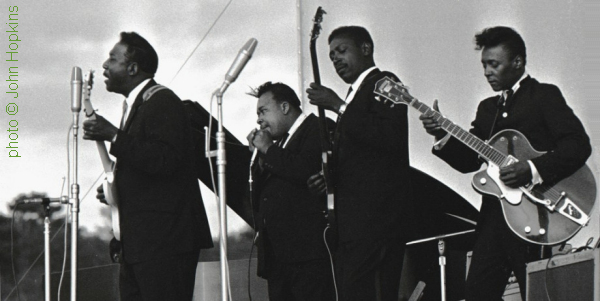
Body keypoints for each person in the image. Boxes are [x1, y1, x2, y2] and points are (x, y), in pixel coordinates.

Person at [419, 26, 591, 300]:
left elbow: (578, 145)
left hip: (538, 216)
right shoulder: (488, 109)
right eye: (484, 65)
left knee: (537, 293)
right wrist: (441, 134)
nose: (487, 71)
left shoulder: (543, 96)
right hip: (493, 223)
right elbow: (468, 161)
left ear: (518, 63)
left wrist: (533, 170)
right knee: (477, 292)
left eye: (494, 64)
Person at [83, 32, 213, 300]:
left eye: (113, 59)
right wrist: (116, 187)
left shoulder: (162, 101)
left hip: (163, 245)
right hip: (142, 246)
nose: (105, 65)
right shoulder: (141, 105)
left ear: (132, 68)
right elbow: (150, 166)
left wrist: (115, 136)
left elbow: (166, 160)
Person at [306, 26, 417, 301]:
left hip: (377, 222)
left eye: (342, 51)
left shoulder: (387, 82)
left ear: (365, 48)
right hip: (353, 225)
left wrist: (338, 107)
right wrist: (328, 177)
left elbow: (390, 137)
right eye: (332, 57)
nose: (336, 60)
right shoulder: (352, 96)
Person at [247, 82, 335, 301]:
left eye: (263, 111)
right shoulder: (280, 144)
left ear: (285, 107)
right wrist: (260, 156)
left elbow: (305, 170)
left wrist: (268, 149)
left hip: (308, 256)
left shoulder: (318, 128)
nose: (259, 119)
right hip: (278, 259)